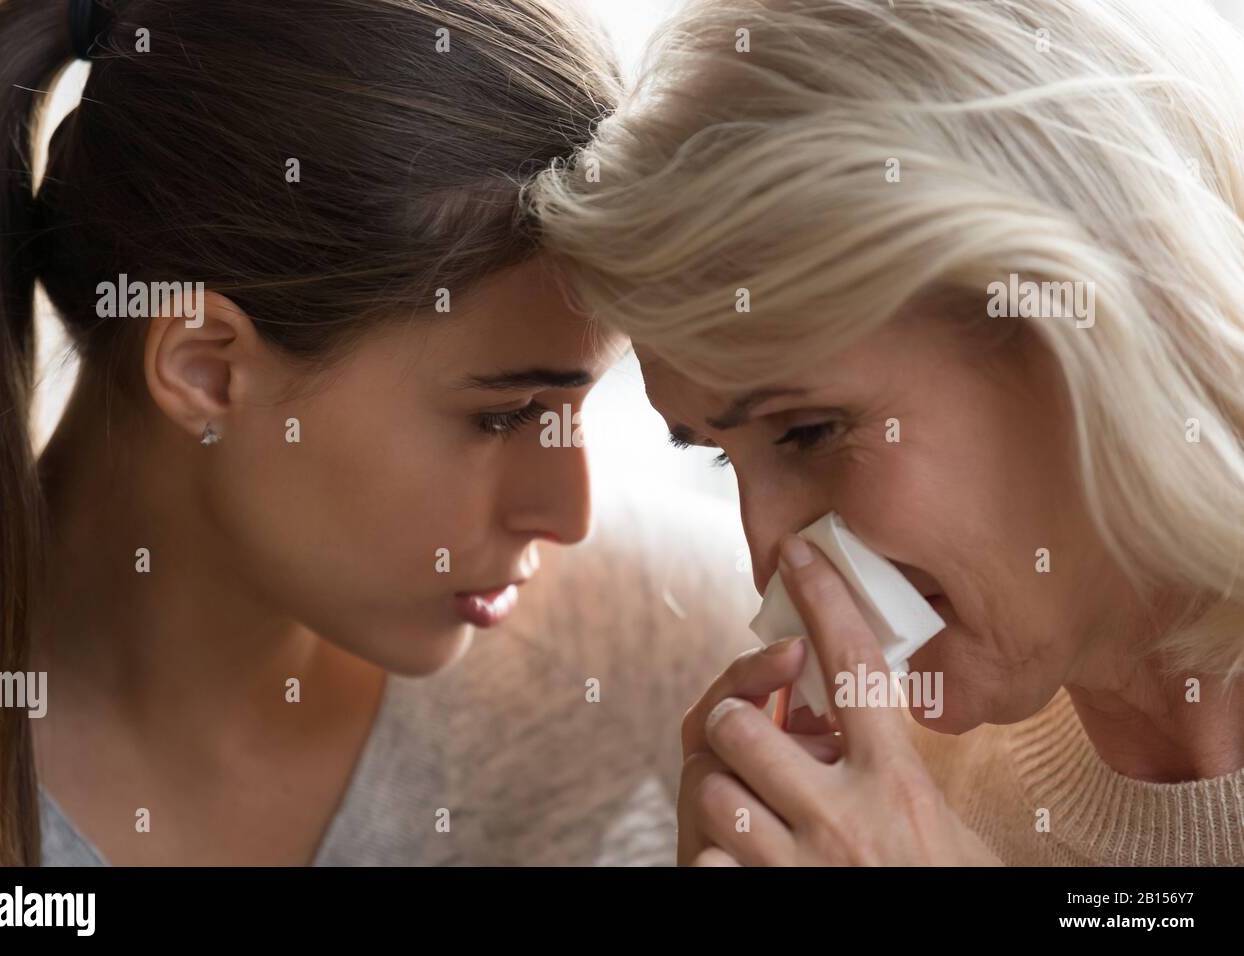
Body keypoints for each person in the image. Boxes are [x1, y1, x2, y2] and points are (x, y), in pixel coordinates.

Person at [0, 0, 757, 866]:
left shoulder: (686, 646)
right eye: (502, 416)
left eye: (580, 409)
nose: (569, 516)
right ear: (206, 369)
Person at [532, 0, 1244, 865]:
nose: (769, 557)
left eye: (809, 432)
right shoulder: (867, 796)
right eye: (721, 456)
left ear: (1085, 341)